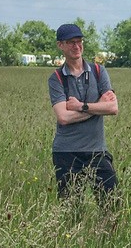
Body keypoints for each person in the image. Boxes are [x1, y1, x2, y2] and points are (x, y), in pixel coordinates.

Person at [50, 22, 118, 200]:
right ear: (60, 45)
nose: (76, 46)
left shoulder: (98, 71)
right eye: (71, 42)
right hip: (66, 152)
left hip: (97, 150)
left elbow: (112, 107)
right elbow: (63, 117)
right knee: (70, 208)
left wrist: (82, 106)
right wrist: (98, 107)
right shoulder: (56, 78)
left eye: (79, 41)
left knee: (111, 203)